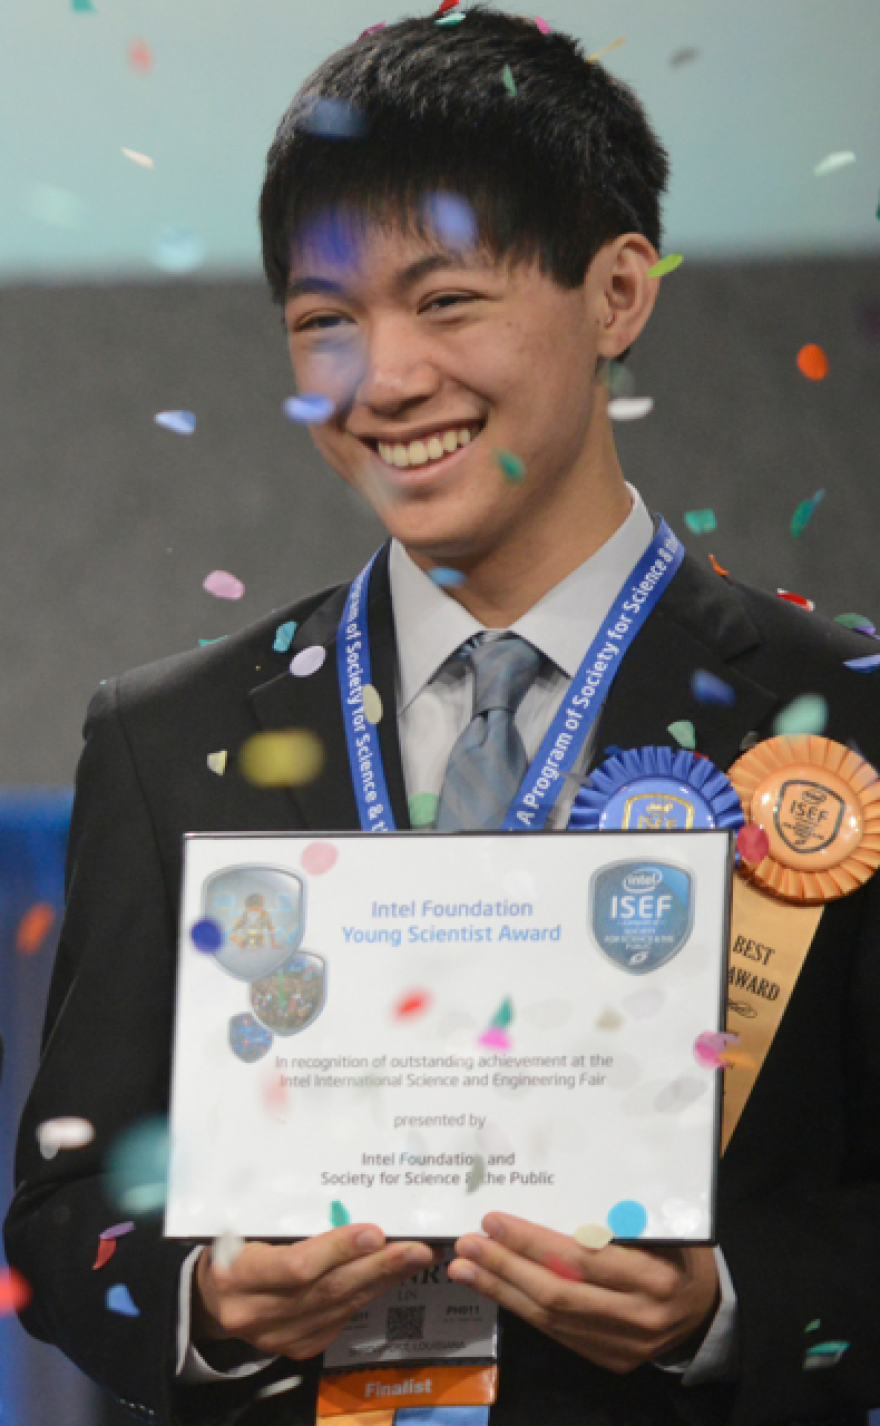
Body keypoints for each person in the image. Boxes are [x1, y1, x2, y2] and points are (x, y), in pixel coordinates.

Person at [6, 8, 880, 1426]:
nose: (387, 378)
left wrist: (728, 1302)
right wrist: (208, 1298)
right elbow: (67, 1209)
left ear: (617, 292)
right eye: (324, 323)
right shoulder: (166, 740)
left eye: (448, 300)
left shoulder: (840, 723)